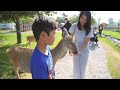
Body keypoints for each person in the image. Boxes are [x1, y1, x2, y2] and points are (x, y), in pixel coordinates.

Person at [68, 11, 94, 79]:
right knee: (76, 69)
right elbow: (70, 38)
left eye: (85, 19)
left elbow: (86, 42)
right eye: (82, 18)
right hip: (75, 50)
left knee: (82, 69)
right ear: (79, 17)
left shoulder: (89, 28)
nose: (83, 21)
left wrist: (80, 51)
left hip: (84, 51)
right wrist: (71, 49)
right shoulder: (74, 26)